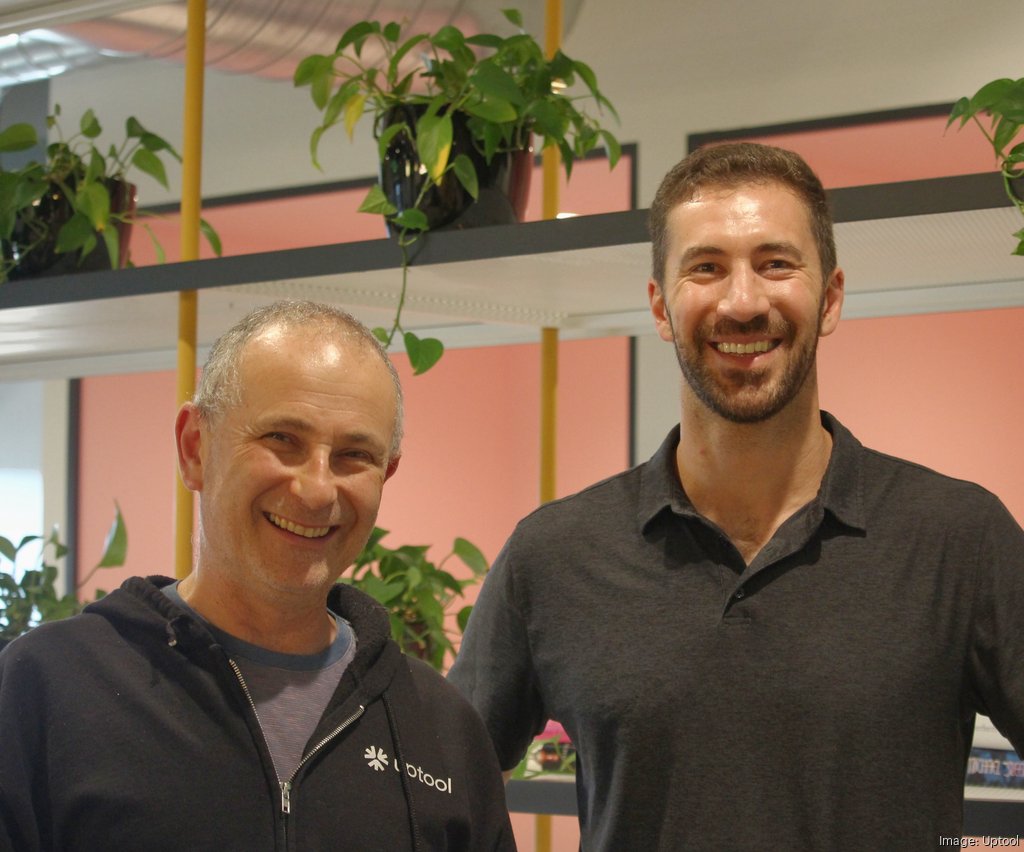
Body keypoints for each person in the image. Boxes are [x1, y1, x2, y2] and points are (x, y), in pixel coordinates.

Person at [449, 143, 1024, 849]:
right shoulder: (552, 557)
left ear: (830, 298)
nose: (743, 301)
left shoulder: (960, 540)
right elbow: (438, 797)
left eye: (776, 264)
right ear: (661, 307)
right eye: (706, 268)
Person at [0, 301, 516, 851]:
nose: (316, 490)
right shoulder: (47, 688)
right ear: (194, 447)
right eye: (281, 439)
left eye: (353, 454)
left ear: (385, 475)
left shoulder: (442, 729)